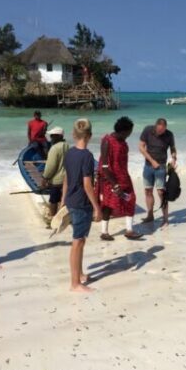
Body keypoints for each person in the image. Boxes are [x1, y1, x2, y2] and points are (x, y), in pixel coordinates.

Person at [61, 118, 102, 292]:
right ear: (90, 136)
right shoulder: (87, 156)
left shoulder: (69, 153)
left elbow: (66, 179)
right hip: (80, 203)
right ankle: (75, 283)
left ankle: (80, 274)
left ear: (73, 134)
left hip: (71, 200)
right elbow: (87, 184)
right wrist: (97, 207)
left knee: (80, 240)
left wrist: (63, 200)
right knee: (78, 242)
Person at [96, 116, 143, 241]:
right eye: (129, 132)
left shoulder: (123, 143)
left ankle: (129, 230)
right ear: (123, 131)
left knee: (130, 200)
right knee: (108, 204)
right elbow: (105, 166)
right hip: (109, 178)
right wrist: (115, 185)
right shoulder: (107, 141)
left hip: (123, 176)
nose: (129, 135)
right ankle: (104, 232)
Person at [139, 118, 177, 227]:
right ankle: (150, 215)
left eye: (163, 131)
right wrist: (151, 161)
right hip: (148, 165)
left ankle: (165, 219)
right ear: (156, 126)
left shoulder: (169, 134)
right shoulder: (147, 130)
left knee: (161, 192)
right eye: (159, 131)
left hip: (161, 166)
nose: (161, 133)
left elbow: (172, 148)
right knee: (148, 191)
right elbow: (141, 147)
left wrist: (174, 158)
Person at [41, 126, 69, 221]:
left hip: (56, 180)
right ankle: (63, 216)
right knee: (63, 198)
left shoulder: (54, 148)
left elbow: (50, 166)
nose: (51, 138)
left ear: (58, 136)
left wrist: (44, 178)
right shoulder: (67, 145)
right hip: (67, 179)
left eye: (52, 136)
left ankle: (53, 219)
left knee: (53, 200)